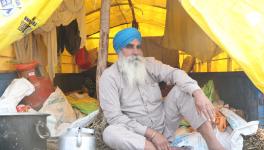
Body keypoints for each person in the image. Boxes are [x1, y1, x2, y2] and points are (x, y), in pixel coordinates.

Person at [99, 27, 224, 150]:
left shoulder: (149, 64)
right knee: (110, 133)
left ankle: (214, 145)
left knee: (182, 90)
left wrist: (198, 93)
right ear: (119, 51)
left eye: (138, 47)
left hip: (165, 127)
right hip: (139, 137)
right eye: (129, 47)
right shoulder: (109, 77)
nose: (135, 52)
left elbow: (174, 73)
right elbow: (115, 117)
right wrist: (152, 134)